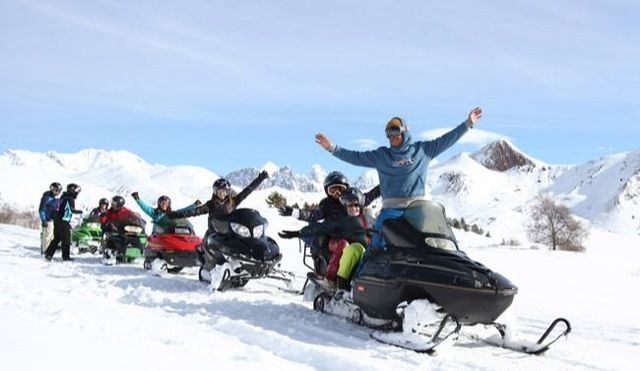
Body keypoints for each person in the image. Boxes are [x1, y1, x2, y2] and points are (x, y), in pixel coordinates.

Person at [315, 107, 482, 248]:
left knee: (432, 244)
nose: (393, 137)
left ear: (404, 131)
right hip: (390, 210)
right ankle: (359, 280)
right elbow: (355, 157)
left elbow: (447, 139)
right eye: (389, 135)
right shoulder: (382, 156)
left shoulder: (422, 150)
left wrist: (467, 124)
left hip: (418, 209)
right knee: (376, 245)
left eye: (396, 132)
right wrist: (332, 148)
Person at [167, 171, 269, 265]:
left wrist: (259, 179)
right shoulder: (211, 204)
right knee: (206, 244)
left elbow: (247, 191)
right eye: (220, 191)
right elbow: (194, 212)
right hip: (214, 231)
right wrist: (176, 215)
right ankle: (206, 258)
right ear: (215, 191)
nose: (223, 193)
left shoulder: (232, 202)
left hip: (230, 232)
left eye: (225, 191)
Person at [279, 187, 370, 291]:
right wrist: (298, 233)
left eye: (356, 205)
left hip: (367, 251)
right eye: (350, 205)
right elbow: (320, 227)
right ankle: (335, 281)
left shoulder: (367, 219)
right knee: (351, 247)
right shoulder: (341, 220)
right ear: (344, 206)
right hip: (342, 245)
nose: (354, 208)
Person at [278, 171, 380, 222]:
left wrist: (388, 184)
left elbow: (371, 195)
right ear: (327, 192)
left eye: (340, 190)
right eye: (332, 190)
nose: (337, 194)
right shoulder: (327, 205)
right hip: (336, 238)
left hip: (355, 234)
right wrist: (293, 212)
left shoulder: (353, 199)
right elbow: (312, 215)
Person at [44, 183, 82, 261]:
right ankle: (66, 256)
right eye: (76, 191)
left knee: (56, 238)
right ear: (72, 190)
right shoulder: (70, 199)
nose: (77, 193)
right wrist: (80, 212)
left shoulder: (63, 197)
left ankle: (48, 254)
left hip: (57, 220)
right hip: (64, 221)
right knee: (66, 239)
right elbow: (71, 210)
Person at [131, 192, 199, 227]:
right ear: (159, 204)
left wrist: (194, 205)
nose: (164, 205)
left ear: (168, 205)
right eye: (162, 203)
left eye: (165, 203)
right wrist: (137, 199)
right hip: (157, 235)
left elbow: (183, 210)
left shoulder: (172, 214)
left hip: (170, 235)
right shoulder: (155, 213)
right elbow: (145, 207)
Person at [38, 182, 62, 254]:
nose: (58, 192)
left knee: (51, 235)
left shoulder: (53, 198)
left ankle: (48, 249)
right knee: (47, 235)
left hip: (51, 219)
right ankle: (45, 251)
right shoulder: (46, 197)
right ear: (52, 189)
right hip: (47, 219)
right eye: (56, 190)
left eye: (59, 191)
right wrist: (43, 220)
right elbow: (41, 209)